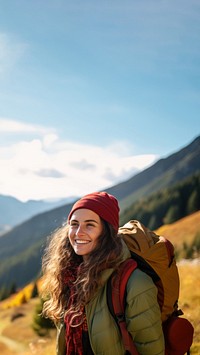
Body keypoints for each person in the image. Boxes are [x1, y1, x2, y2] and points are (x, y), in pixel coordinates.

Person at [41, 191, 165, 355]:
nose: (78, 233)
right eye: (74, 224)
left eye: (90, 225)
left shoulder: (134, 283)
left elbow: (152, 349)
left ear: (106, 231)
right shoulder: (69, 276)